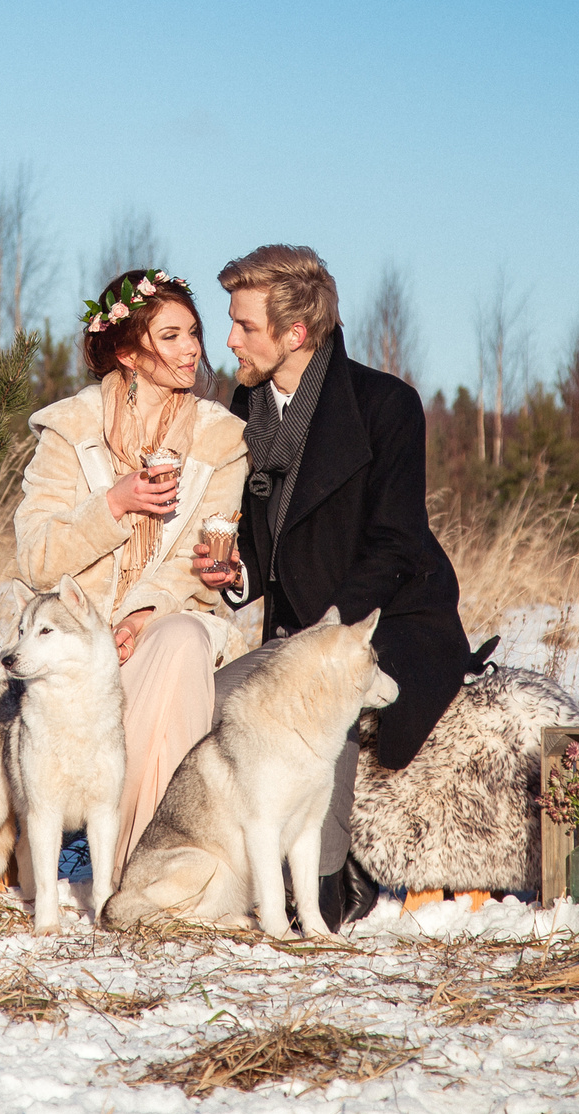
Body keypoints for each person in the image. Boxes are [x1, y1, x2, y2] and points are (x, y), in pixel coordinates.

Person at [192, 243, 471, 930]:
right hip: (295, 633)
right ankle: (213, 874)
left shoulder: (387, 406)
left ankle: (324, 885)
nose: (228, 340)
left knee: (322, 688)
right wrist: (236, 574)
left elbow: (397, 543)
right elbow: (266, 544)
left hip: (390, 621)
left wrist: (330, 632)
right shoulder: (250, 406)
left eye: (244, 326)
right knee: (206, 702)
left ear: (295, 333)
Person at [13, 268, 251, 869]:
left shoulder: (223, 441)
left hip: (169, 622)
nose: (191, 349)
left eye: (193, 333)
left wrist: (143, 613)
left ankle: (154, 862)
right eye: (170, 336)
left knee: (180, 640)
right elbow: (36, 558)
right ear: (127, 353)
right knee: (124, 664)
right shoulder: (69, 431)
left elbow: (201, 559)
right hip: (78, 634)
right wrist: (113, 505)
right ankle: (148, 866)